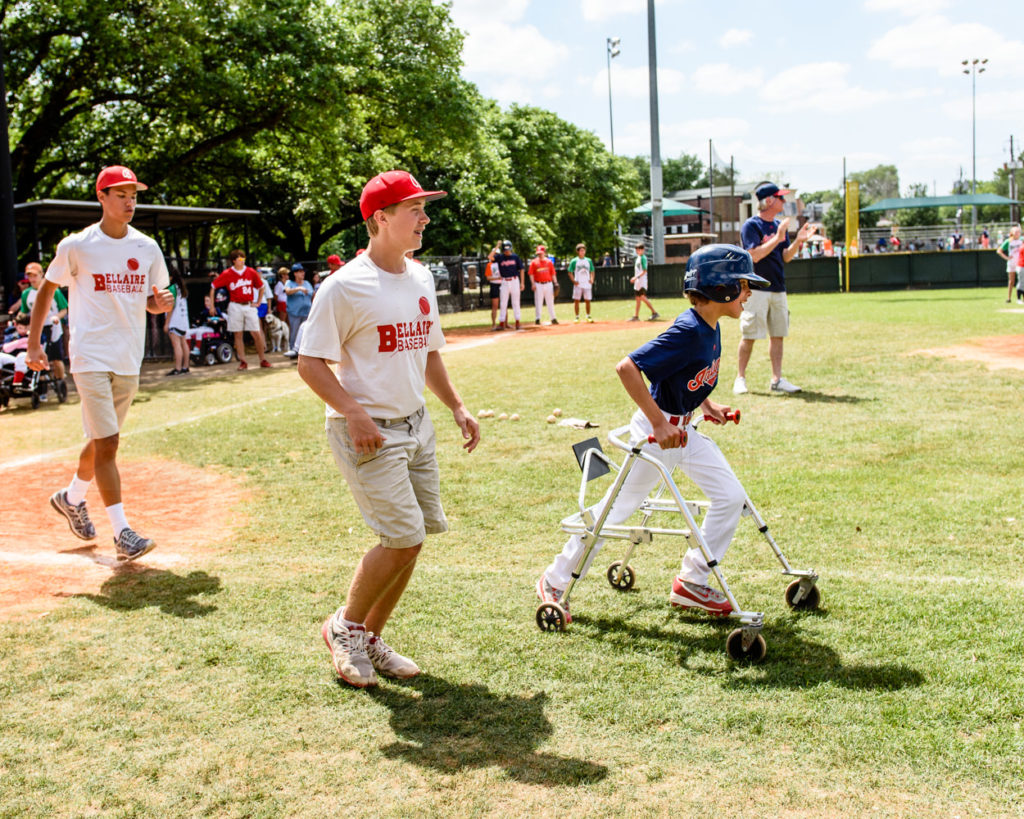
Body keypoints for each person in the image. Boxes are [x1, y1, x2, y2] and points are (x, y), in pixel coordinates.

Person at [297, 169, 480, 688]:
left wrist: (457, 406)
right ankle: (344, 628)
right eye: (414, 209)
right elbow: (309, 363)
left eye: (425, 208)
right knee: (401, 536)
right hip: (369, 431)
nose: (425, 218)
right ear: (380, 219)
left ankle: (369, 638)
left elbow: (428, 352)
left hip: (416, 426)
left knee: (414, 538)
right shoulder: (344, 287)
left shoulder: (420, 277)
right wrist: (353, 413)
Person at [537, 244, 769, 620]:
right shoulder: (689, 329)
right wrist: (659, 423)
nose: (748, 293)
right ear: (721, 287)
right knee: (617, 509)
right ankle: (556, 578)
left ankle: (692, 582)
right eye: (744, 285)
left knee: (730, 496)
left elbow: (681, 376)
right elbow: (627, 367)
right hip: (655, 435)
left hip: (684, 431)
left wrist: (708, 406)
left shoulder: (710, 327)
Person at [27, 165, 173, 561]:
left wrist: (158, 304)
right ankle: (123, 532)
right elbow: (46, 292)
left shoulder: (146, 247)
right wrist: (34, 344)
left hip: (128, 357)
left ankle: (71, 497)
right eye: (121, 194)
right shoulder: (76, 245)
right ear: (102, 198)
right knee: (108, 442)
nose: (130, 202)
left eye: (134, 195)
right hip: (89, 355)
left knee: (99, 441)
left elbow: (151, 297)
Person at [733, 183, 814, 396]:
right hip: (756, 288)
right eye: (780, 198)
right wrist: (777, 238)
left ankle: (777, 380)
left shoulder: (779, 226)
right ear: (769, 201)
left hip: (778, 287)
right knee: (749, 334)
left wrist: (798, 241)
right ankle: (740, 378)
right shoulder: (751, 226)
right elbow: (753, 255)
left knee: (778, 335)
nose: (784, 201)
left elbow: (785, 256)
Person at [210, 249, 270, 370]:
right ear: (233, 261)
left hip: (248, 304)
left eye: (243, 258)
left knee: (256, 332)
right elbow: (213, 287)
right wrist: (211, 306)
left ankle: (262, 359)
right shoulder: (228, 273)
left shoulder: (250, 272)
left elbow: (261, 287)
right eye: (239, 259)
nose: (242, 261)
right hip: (235, 305)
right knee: (238, 333)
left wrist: (258, 302)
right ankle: (243, 361)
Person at [21, 260, 68, 397]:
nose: (32, 279)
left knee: (56, 357)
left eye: (35, 275)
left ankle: (60, 381)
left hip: (53, 327)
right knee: (38, 357)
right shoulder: (26, 294)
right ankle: (41, 387)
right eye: (29, 276)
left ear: (42, 275)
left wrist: (57, 318)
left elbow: (64, 309)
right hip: (37, 329)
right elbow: (25, 312)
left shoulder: (54, 291)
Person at [164, 267, 190, 375]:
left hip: (175, 321)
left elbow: (171, 306)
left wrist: (167, 323)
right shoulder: (181, 288)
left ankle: (178, 368)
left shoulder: (172, 289)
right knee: (183, 342)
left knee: (176, 344)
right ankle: (185, 367)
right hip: (183, 320)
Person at [494, 240, 525, 331]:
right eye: (505, 250)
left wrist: (522, 283)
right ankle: (501, 323)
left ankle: (518, 322)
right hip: (504, 281)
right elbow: (490, 257)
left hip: (514, 280)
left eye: (508, 249)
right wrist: (497, 246)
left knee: (516, 302)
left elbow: (522, 269)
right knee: (503, 302)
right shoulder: (500, 257)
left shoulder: (515, 257)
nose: (507, 251)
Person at [284, 262, 313, 354]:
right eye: (300, 271)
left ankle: (305, 351)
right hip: (294, 312)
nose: (303, 273)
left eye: (303, 271)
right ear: (295, 273)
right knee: (295, 331)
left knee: (307, 332)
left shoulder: (307, 283)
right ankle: (293, 350)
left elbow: (313, 295)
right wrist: (299, 288)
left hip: (307, 312)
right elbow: (287, 291)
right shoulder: (289, 283)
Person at [628, 241, 659, 322]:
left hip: (642, 281)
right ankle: (636, 316)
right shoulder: (638, 258)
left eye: (640, 249)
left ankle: (654, 312)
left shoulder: (643, 258)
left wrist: (635, 277)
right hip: (638, 282)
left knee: (642, 297)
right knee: (638, 299)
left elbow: (645, 271)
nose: (638, 251)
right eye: (637, 250)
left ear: (643, 250)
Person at [528, 244, 558, 326]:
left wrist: (555, 283)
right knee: (538, 302)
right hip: (538, 284)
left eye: (541, 253)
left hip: (548, 283)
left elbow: (553, 273)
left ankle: (553, 318)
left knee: (550, 301)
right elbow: (531, 274)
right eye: (538, 253)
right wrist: (533, 284)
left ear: (544, 252)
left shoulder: (549, 262)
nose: (540, 254)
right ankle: (537, 318)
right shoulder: (534, 262)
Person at [568, 242, 595, 323]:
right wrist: (573, 280)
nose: (582, 252)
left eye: (583, 250)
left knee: (588, 300)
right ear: (578, 251)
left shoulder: (588, 260)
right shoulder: (574, 261)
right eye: (581, 251)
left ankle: (588, 316)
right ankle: (577, 317)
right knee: (577, 300)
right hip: (578, 283)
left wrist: (592, 279)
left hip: (587, 283)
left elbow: (592, 271)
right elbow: (570, 271)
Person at [996, 225, 1023, 304]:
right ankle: (1009, 298)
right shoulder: (1009, 241)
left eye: (1018, 232)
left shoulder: (1021, 240)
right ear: (1012, 233)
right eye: (1016, 232)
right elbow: (999, 250)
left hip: (1020, 263)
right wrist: (1007, 258)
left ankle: (1020, 298)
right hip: (1011, 263)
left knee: (1022, 281)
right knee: (1011, 281)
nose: (1018, 233)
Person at [485, 243, 503, 330]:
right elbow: (488, 277)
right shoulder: (489, 265)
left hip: (502, 284)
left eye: (497, 254)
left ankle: (504, 323)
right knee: (495, 306)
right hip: (494, 285)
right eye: (494, 253)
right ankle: (494, 324)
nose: (496, 255)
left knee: (504, 305)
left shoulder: (501, 263)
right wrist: (497, 247)